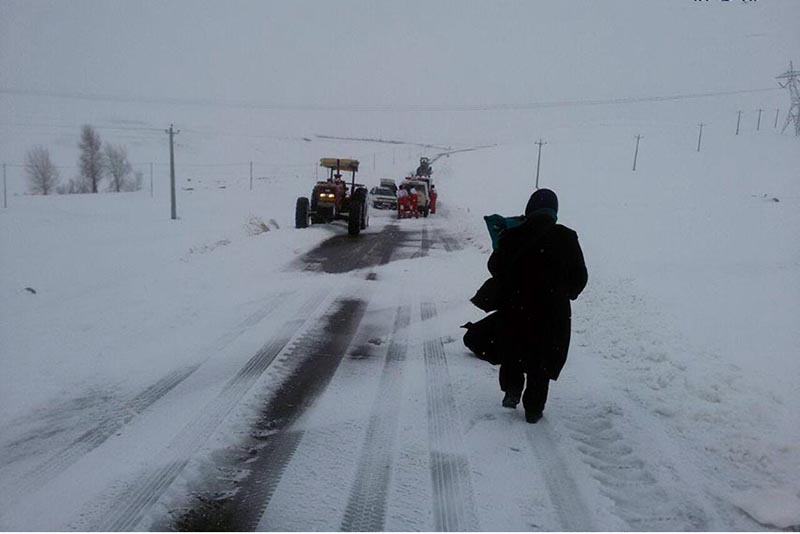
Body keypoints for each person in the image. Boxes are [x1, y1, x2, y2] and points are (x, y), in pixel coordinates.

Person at [487, 188, 587, 423]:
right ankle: (533, 408)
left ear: (529, 209)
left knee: (514, 351)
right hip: (553, 313)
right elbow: (580, 277)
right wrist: (566, 292)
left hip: (516, 308)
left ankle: (512, 392)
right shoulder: (566, 237)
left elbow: (495, 267)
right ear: (554, 212)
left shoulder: (513, 235)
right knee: (541, 360)